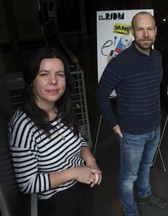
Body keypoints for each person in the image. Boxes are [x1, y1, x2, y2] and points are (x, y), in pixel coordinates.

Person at [8, 47, 102, 216]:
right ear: (31, 80)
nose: (54, 81)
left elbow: (78, 140)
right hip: (57, 203)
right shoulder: (23, 125)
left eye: (60, 74)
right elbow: (27, 184)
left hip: (82, 187)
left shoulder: (62, 108)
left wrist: (90, 160)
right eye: (44, 74)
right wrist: (74, 173)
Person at [96, 11, 167, 216]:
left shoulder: (157, 57)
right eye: (140, 29)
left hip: (154, 127)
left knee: (146, 166)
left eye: (150, 28)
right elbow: (101, 95)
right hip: (131, 133)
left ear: (155, 30)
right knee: (128, 177)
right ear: (132, 32)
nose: (146, 34)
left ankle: (144, 195)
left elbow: (152, 90)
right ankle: (130, 211)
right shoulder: (120, 62)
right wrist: (113, 124)